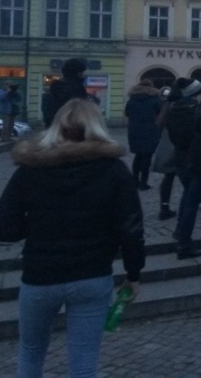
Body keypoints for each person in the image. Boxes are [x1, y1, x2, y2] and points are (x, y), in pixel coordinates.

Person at [0, 98, 145, 377]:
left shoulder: (30, 169)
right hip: (91, 274)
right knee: (83, 359)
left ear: (57, 128)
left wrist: (38, 225)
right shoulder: (113, 170)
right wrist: (133, 273)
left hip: (40, 275)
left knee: (30, 353)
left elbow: (7, 227)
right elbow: (130, 228)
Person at [168, 78, 201, 259]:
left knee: (187, 195)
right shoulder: (198, 111)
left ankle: (179, 231)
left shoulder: (173, 109)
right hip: (198, 160)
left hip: (181, 159)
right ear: (195, 93)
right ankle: (184, 243)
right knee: (192, 202)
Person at [124, 78, 162, 190]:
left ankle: (135, 181)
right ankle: (143, 183)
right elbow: (160, 112)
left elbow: (127, 113)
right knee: (147, 156)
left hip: (134, 130)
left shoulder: (132, 99)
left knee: (138, 156)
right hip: (150, 130)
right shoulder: (155, 99)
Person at [42, 58, 88, 127]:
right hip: (72, 129)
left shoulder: (55, 88)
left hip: (55, 129)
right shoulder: (77, 89)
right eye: (81, 72)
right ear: (77, 73)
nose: (83, 75)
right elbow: (80, 113)